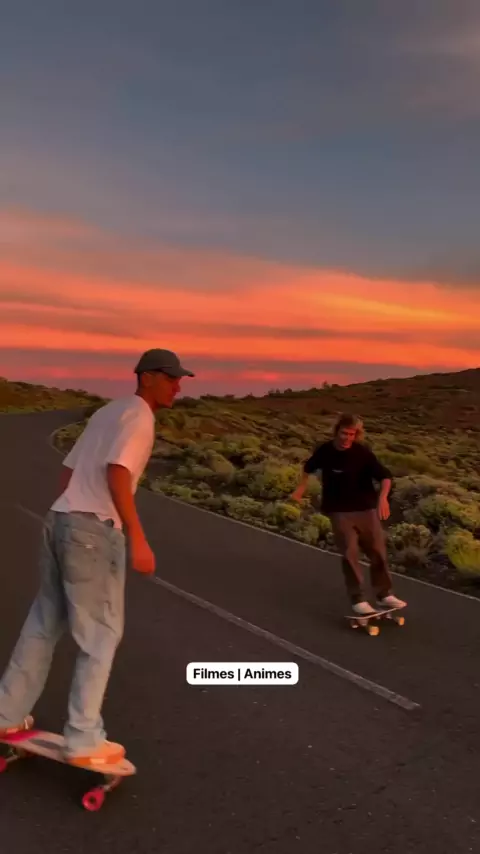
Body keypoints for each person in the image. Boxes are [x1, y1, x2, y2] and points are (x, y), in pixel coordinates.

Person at [0, 348, 194, 767]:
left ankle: (6, 715)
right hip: (93, 529)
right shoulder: (139, 417)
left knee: (43, 624)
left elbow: (69, 471)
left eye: (179, 379)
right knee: (100, 635)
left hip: (62, 518)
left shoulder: (109, 412)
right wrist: (137, 537)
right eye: (171, 378)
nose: (178, 386)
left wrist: (69, 515)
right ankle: (84, 737)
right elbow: (117, 472)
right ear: (146, 377)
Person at [291, 412, 406, 616]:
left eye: (352, 434)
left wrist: (383, 498)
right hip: (339, 510)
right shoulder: (325, 451)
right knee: (350, 553)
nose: (347, 438)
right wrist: (300, 489)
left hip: (366, 509)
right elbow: (308, 468)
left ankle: (384, 594)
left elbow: (385, 476)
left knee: (377, 552)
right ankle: (358, 599)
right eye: (344, 433)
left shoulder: (362, 452)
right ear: (337, 432)